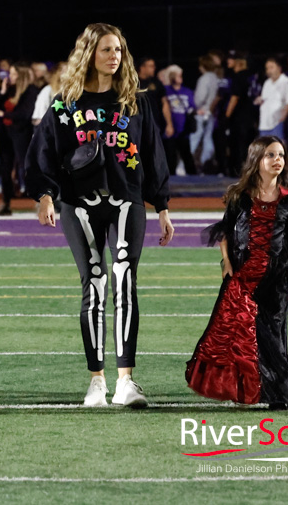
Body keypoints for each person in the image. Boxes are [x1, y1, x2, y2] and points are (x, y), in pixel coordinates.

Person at [26, 23, 174, 409]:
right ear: (89, 52)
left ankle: (126, 380)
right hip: (78, 203)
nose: (115, 56)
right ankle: (97, 381)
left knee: (125, 280)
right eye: (107, 49)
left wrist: (163, 206)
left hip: (127, 200)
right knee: (94, 283)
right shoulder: (64, 104)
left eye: (119, 50)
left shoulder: (134, 102)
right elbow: (42, 155)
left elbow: (154, 153)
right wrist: (44, 195)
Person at [186, 136, 288, 410]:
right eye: (270, 155)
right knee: (244, 333)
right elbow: (225, 232)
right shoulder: (240, 197)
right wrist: (226, 263)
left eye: (281, 155)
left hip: (276, 277)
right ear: (257, 161)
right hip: (243, 274)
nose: (278, 160)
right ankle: (249, 389)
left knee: (273, 332)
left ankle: (279, 389)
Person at [0, 62, 39, 215]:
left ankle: (40, 200)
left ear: (21, 76)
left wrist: (4, 114)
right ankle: (5, 203)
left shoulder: (30, 90)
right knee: (5, 169)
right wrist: (2, 91)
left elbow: (25, 114)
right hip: (5, 134)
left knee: (26, 168)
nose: (9, 77)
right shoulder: (9, 90)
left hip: (21, 135)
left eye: (13, 74)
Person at [164, 64, 197, 175]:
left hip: (184, 129)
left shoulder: (187, 91)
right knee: (170, 156)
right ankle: (170, 180)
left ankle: (194, 178)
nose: (180, 78)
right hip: (171, 128)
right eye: (178, 76)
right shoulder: (165, 90)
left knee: (186, 154)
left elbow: (192, 106)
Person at [189, 54, 219, 171]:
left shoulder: (204, 78)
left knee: (195, 138)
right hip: (210, 113)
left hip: (202, 112)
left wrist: (195, 107)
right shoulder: (215, 78)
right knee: (208, 138)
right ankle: (205, 163)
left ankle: (186, 165)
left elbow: (200, 98)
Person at [257, 55, 288, 141]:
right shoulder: (267, 83)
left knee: (278, 147)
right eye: (267, 68)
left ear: (279, 68)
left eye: (271, 67)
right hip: (264, 122)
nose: (269, 70)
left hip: (276, 122)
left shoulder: (286, 81)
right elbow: (265, 98)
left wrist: (283, 118)